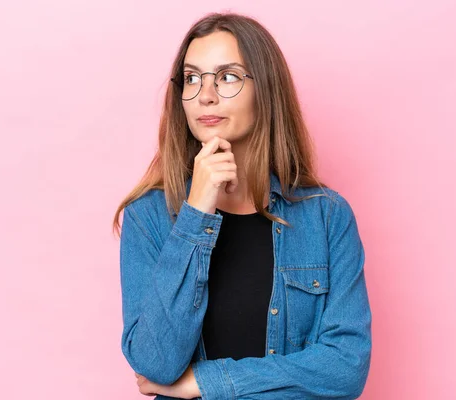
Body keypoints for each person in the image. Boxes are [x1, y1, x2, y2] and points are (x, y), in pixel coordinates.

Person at [113, 12, 372, 400]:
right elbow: (155, 363)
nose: (205, 95)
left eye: (228, 76)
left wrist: (203, 382)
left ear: (265, 89)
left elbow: (345, 368)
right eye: (191, 77)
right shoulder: (148, 217)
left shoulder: (327, 217)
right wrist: (196, 212)